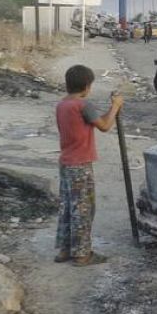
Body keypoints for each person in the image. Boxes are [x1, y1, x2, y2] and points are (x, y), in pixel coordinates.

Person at [55, 65, 124, 266]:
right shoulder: (83, 105)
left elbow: (94, 121)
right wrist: (116, 106)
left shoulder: (62, 104)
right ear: (87, 86)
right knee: (83, 209)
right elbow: (104, 126)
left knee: (67, 207)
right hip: (80, 165)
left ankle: (64, 250)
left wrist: (110, 109)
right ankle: (82, 254)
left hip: (66, 163)